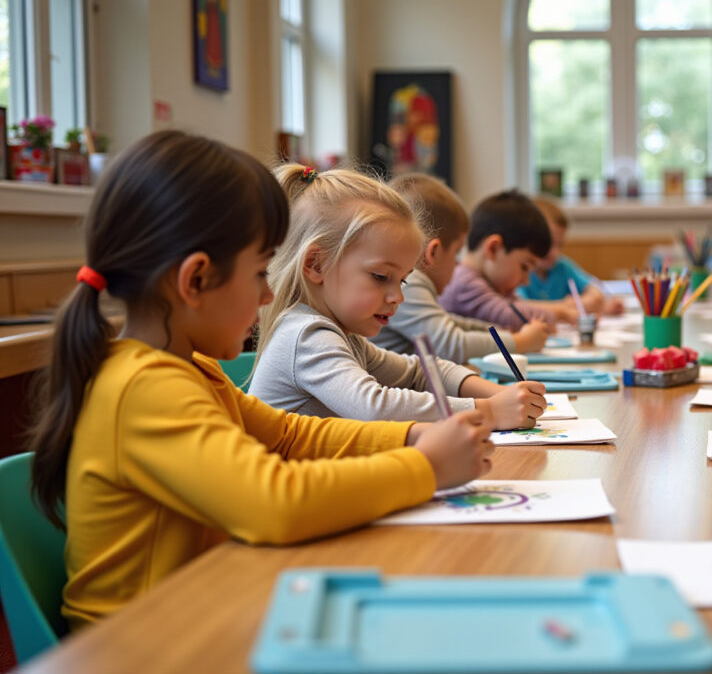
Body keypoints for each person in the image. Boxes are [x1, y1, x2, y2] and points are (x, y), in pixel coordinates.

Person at [27, 131, 493, 629]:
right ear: (195, 279)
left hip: (198, 610)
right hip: (142, 645)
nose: (269, 297)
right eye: (258, 274)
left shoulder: (190, 367)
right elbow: (275, 502)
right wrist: (424, 466)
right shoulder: (144, 388)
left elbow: (289, 435)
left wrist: (411, 435)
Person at [251, 165, 545, 430]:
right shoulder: (305, 335)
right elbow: (374, 407)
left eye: (403, 280)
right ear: (316, 265)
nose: (397, 297)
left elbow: (421, 371)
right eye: (380, 277)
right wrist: (489, 411)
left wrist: (497, 394)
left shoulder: (345, 337)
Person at [370, 173, 550, 361]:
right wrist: (519, 341)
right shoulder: (408, 284)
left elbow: (454, 325)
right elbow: (452, 345)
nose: (458, 265)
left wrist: (502, 331)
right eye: (457, 253)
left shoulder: (414, 285)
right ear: (433, 252)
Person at [438, 189, 556, 329]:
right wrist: (559, 313)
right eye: (524, 267)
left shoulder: (490, 284)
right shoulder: (464, 281)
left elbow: (518, 306)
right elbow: (510, 317)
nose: (526, 280)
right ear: (493, 248)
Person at [518, 196, 624, 317]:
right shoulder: (520, 273)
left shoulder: (562, 267)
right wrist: (569, 307)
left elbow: (596, 292)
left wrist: (596, 304)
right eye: (547, 243)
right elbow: (520, 307)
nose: (554, 252)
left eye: (560, 245)